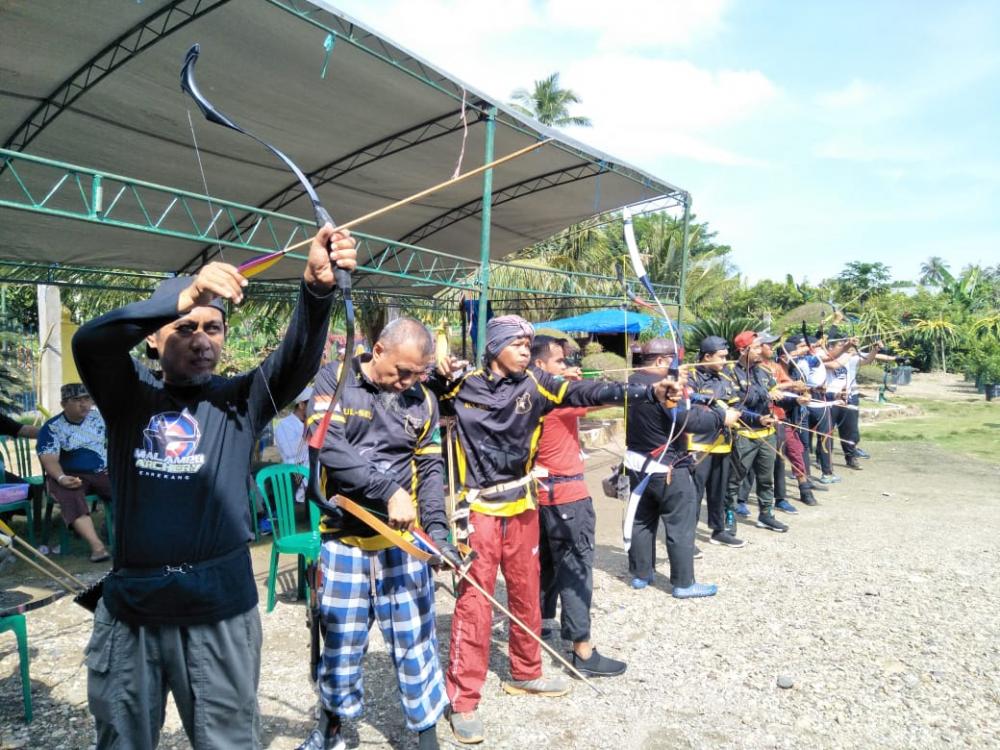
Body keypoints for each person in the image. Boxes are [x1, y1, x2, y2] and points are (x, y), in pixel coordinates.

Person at [72, 224, 356, 749]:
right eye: (185, 327)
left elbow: (295, 362)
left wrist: (317, 291)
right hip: (133, 611)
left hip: (219, 612)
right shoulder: (127, 394)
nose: (202, 340)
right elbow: (90, 344)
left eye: (213, 328)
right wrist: (178, 297)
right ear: (153, 337)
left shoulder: (239, 400)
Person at [430, 316, 681, 744]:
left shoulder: (537, 384)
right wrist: (438, 373)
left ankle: (526, 671)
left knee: (527, 591)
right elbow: (418, 391)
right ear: (494, 347)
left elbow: (588, 391)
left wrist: (649, 392)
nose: (525, 350)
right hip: (478, 509)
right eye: (516, 343)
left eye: (528, 344)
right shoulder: (462, 385)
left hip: (523, 504)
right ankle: (464, 700)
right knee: (475, 603)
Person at [300, 318, 453, 750]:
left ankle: (427, 735)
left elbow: (431, 468)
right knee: (340, 644)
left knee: (415, 643)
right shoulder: (335, 378)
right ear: (378, 350)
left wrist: (438, 533)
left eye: (418, 374)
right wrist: (389, 491)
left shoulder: (423, 399)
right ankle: (330, 728)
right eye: (402, 371)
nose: (408, 382)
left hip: (402, 544)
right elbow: (327, 445)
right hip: (344, 540)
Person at [532, 335, 626, 678]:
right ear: (539, 365)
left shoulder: (526, 395)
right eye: (559, 361)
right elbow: (601, 397)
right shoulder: (557, 399)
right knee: (576, 570)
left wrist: (571, 380)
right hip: (567, 498)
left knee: (546, 564)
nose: (566, 366)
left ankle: (542, 622)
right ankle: (582, 651)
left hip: (538, 497)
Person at [625, 338, 739, 594]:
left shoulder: (632, 382)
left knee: (642, 521)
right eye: (674, 360)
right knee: (680, 525)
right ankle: (683, 583)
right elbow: (687, 420)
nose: (680, 365)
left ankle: (641, 574)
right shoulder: (668, 388)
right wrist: (722, 417)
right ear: (661, 360)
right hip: (668, 468)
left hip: (637, 466)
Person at [35, 383, 112, 562]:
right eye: (77, 400)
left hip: (100, 472)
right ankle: (97, 547)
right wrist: (61, 478)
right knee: (70, 495)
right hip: (68, 475)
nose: (84, 404)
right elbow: (49, 459)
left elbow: (118, 440)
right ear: (63, 404)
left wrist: (114, 463)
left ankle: (114, 531)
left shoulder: (99, 419)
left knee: (127, 488)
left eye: (87, 399)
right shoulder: (52, 427)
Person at [725, 331, 793, 534]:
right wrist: (757, 417)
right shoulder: (730, 372)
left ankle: (766, 515)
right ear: (742, 350)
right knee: (734, 479)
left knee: (766, 478)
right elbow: (734, 406)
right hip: (743, 433)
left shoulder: (763, 371)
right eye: (755, 348)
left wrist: (797, 399)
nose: (760, 351)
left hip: (766, 433)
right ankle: (728, 516)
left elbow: (775, 395)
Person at [689, 336, 744, 547]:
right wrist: (720, 411)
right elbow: (690, 405)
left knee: (718, 492)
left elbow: (736, 405)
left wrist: (747, 416)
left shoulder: (725, 378)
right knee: (694, 494)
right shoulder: (691, 376)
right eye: (721, 356)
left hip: (723, 443)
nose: (725, 361)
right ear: (707, 356)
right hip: (698, 445)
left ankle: (718, 530)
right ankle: (687, 538)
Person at [275, 386, 312, 503]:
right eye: (312, 404)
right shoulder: (284, 425)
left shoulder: (314, 423)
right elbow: (291, 452)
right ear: (301, 405)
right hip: (295, 479)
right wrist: (307, 430)